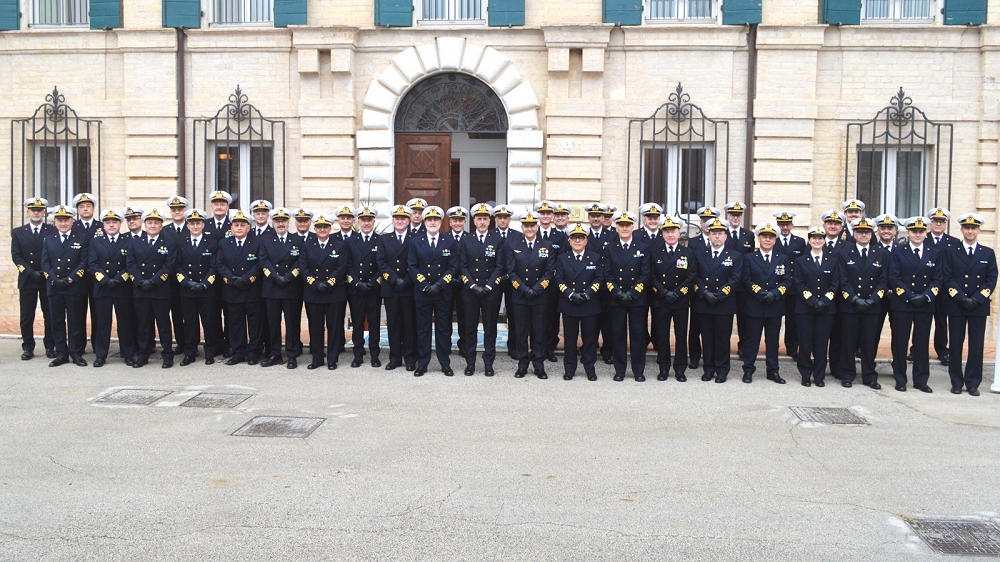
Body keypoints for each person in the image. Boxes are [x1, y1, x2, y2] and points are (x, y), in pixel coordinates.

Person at [943, 213, 997, 396]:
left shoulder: (987, 253)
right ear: (962, 230)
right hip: (957, 304)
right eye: (967, 228)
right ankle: (956, 382)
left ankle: (973, 382)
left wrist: (976, 299)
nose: (970, 231)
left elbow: (991, 279)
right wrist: (960, 297)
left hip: (978, 306)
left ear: (978, 230)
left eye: (973, 228)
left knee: (976, 345)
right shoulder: (951, 251)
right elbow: (947, 277)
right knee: (956, 344)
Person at [888, 217, 942, 393]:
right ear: (908, 233)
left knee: (921, 343)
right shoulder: (897, 252)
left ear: (926, 233)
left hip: (924, 305)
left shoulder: (934, 253)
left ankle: (920, 380)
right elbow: (894, 277)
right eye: (914, 231)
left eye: (921, 231)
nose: (917, 234)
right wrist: (909, 296)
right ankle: (900, 379)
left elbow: (938, 279)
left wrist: (925, 297)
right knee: (900, 343)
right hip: (902, 304)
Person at [836, 217, 887, 389]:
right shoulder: (845, 253)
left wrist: (873, 299)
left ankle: (869, 375)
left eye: (866, 232)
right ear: (854, 234)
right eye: (859, 232)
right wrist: (854, 299)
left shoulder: (880, 253)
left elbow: (883, 280)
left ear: (871, 234)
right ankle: (847, 374)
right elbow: (843, 280)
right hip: (850, 305)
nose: (863, 235)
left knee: (869, 342)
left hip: (872, 306)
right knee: (848, 341)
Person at [408, 206, 458, 377]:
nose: (433, 222)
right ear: (424, 221)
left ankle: (445, 363)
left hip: (442, 292)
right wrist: (424, 285)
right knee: (423, 329)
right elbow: (412, 266)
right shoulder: (415, 241)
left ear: (441, 222)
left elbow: (452, 267)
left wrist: (440, 285)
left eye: (436, 220)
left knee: (443, 329)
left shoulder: (449, 242)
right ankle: (422, 363)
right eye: (429, 220)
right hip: (423, 292)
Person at [505, 211, 555, 379]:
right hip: (520, 296)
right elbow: (511, 272)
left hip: (540, 297)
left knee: (539, 332)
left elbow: (549, 273)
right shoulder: (513, 245)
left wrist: (536, 289)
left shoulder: (547, 245)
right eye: (526, 225)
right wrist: (524, 289)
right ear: (522, 227)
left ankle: (539, 365)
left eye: (532, 225)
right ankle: (522, 365)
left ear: (537, 226)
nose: (529, 228)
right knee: (520, 332)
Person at [739, 222, 791, 384]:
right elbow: (746, 279)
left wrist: (775, 293)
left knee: (773, 341)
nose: (767, 240)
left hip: (774, 305)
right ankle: (748, 370)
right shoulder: (748, 258)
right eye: (764, 236)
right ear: (758, 238)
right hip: (754, 305)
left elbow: (787, 280)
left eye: (771, 237)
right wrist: (760, 292)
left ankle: (773, 371)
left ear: (775, 240)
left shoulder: (783, 258)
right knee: (751, 341)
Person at [693, 218, 742, 383]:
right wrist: (705, 293)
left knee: (722, 338)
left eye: (720, 234)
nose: (717, 237)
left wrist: (720, 295)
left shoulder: (735, 256)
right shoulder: (699, 254)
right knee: (707, 338)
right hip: (704, 302)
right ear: (709, 235)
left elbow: (735, 279)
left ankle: (722, 370)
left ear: (725, 236)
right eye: (714, 233)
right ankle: (708, 369)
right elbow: (695, 276)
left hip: (724, 304)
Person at [458, 203, 505, 376]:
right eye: (479, 219)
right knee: (470, 328)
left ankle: (488, 363)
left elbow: (500, 267)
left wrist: (488, 286)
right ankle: (470, 363)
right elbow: (462, 266)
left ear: (490, 221)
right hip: (470, 291)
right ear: (474, 221)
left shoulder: (497, 240)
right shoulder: (466, 239)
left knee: (490, 328)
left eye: (485, 218)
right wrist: (472, 285)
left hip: (490, 291)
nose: (483, 222)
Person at [603, 211, 651, 382]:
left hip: (636, 298)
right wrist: (617, 292)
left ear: (632, 227)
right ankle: (620, 370)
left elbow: (645, 273)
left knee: (638, 335)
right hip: (616, 298)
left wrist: (633, 292)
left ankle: (638, 370)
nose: (624, 228)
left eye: (627, 225)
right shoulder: (609, 247)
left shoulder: (643, 247)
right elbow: (607, 274)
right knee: (618, 334)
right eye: (621, 225)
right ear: (616, 228)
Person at [648, 215, 696, 381]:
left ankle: (680, 369)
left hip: (680, 300)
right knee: (662, 335)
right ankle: (663, 368)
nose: (670, 234)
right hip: (661, 300)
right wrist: (663, 292)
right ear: (662, 234)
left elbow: (691, 276)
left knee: (681, 335)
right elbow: (651, 276)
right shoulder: (655, 252)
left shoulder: (688, 253)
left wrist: (678, 292)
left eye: (673, 231)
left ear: (679, 233)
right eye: (667, 231)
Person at [126, 208, 176, 368]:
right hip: (141, 289)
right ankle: (143, 354)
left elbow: (169, 266)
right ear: (145, 224)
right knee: (143, 324)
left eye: (156, 223)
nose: (153, 225)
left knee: (163, 324)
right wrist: (140, 281)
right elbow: (131, 264)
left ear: (161, 225)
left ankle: (167, 354)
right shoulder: (135, 242)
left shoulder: (169, 242)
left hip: (159, 289)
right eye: (150, 223)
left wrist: (153, 281)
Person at [299, 214, 349, 370]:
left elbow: (341, 267)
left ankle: (332, 359)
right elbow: (303, 267)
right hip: (313, 292)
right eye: (319, 227)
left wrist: (328, 282)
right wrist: (315, 283)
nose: (322, 230)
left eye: (325, 227)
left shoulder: (339, 245)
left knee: (334, 328)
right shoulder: (308, 245)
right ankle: (317, 358)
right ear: (315, 229)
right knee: (315, 327)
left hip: (334, 292)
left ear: (330, 228)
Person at [87, 209, 136, 368]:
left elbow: (130, 263)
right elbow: (92, 264)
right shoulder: (95, 241)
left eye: (114, 222)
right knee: (102, 323)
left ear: (120, 224)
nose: (111, 225)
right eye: (108, 222)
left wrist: (119, 279)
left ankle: (127, 354)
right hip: (103, 287)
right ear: (103, 225)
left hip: (122, 287)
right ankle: (101, 355)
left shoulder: (128, 240)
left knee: (125, 323)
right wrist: (104, 280)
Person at [41, 205, 90, 367]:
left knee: (75, 321)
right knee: (57, 321)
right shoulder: (49, 239)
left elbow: (84, 262)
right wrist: (54, 279)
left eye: (66, 220)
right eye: (59, 220)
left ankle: (75, 353)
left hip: (73, 286)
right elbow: (45, 262)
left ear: (72, 221)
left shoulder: (81, 238)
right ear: (55, 222)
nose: (63, 223)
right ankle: (61, 353)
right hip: (55, 286)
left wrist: (71, 279)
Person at [555, 224, 604, 380]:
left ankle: (590, 368)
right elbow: (559, 279)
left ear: (586, 241)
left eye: (581, 238)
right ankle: (569, 369)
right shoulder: (562, 258)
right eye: (574, 238)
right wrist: (570, 294)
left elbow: (599, 278)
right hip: (569, 303)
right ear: (569, 241)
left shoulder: (595, 257)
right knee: (570, 340)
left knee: (589, 340)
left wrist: (587, 294)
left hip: (589, 303)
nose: (577, 241)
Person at [215, 209, 264, 366]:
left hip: (251, 289)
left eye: (243, 225)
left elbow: (259, 264)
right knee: (235, 324)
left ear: (248, 228)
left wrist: (246, 279)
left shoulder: (257, 242)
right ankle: (238, 353)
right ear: (231, 228)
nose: (239, 228)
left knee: (254, 323)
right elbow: (219, 264)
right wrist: (230, 279)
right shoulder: (223, 243)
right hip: (232, 289)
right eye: (236, 225)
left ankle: (253, 353)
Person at [793, 226, 840, 387]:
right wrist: (812, 300)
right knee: (805, 343)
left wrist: (825, 301)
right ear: (809, 240)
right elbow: (798, 283)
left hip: (826, 309)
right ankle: (805, 374)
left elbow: (835, 284)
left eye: (820, 238)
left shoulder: (832, 261)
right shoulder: (800, 261)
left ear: (824, 240)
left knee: (821, 343)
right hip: (805, 309)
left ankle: (819, 376)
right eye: (814, 238)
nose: (817, 241)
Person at [258, 207, 305, 369]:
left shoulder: (297, 240)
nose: (280, 224)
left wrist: (289, 276)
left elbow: (301, 261)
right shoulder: (265, 240)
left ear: (288, 222)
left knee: (292, 323)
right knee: (273, 323)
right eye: (277, 221)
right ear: (273, 222)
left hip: (291, 287)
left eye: (283, 220)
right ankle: (275, 353)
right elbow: (263, 261)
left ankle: (292, 355)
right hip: (272, 287)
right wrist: (275, 277)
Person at [12, 197, 55, 360]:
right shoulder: (18, 232)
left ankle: (50, 346)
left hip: (46, 279)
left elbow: (53, 254)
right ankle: (28, 347)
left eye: (39, 209)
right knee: (27, 315)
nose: (36, 212)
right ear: (28, 212)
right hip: (28, 279)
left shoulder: (51, 230)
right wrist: (30, 272)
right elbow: (16, 256)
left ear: (44, 212)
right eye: (33, 210)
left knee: (49, 314)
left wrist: (45, 272)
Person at [175, 208, 219, 366]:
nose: (195, 226)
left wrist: (205, 283)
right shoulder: (181, 243)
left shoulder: (212, 243)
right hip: (187, 290)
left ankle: (209, 352)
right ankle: (190, 352)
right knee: (190, 323)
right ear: (187, 226)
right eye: (192, 223)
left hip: (207, 289)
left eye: (198, 223)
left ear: (203, 225)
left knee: (209, 323)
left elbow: (214, 266)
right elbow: (177, 266)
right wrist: (187, 282)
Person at [378, 205, 418, 371]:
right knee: (393, 324)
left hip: (409, 288)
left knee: (409, 325)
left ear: (408, 221)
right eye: (397, 218)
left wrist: (407, 280)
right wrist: (395, 279)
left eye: (403, 218)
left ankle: (410, 358)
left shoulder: (416, 238)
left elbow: (418, 262)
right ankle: (395, 358)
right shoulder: (384, 239)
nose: (400, 221)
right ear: (393, 220)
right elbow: (381, 262)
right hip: (391, 288)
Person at [346, 205, 382, 369]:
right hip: (356, 289)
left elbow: (382, 265)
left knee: (374, 323)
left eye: (369, 220)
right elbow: (347, 266)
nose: (366, 223)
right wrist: (356, 282)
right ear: (358, 221)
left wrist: (373, 282)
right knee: (358, 323)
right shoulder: (350, 241)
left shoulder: (380, 240)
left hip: (374, 288)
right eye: (363, 220)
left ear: (373, 221)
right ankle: (358, 354)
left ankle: (374, 354)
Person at [926, 207, 957, 366]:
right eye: (935, 221)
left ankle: (942, 350)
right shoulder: (923, 239)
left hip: (945, 289)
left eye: (941, 221)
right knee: (921, 321)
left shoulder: (953, 242)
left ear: (945, 223)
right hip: (925, 288)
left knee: (941, 321)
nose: (938, 224)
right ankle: (917, 348)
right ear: (930, 222)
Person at [204, 191, 233, 358]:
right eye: (216, 204)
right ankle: (214, 344)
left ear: (228, 207)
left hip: (229, 278)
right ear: (212, 207)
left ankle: (228, 344)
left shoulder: (234, 224)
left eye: (223, 204)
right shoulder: (204, 225)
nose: (219, 206)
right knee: (212, 314)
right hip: (210, 278)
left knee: (230, 314)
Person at [773, 211, 806, 359]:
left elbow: (802, 264)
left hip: (793, 288)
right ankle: (773, 347)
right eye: (781, 224)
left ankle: (792, 348)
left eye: (787, 224)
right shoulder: (773, 239)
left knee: (793, 321)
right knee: (775, 320)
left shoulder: (799, 242)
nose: (784, 227)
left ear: (792, 225)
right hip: (777, 285)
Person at [536, 200, 566, 363]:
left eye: (548, 213)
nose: (546, 216)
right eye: (542, 213)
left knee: (552, 318)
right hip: (536, 284)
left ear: (553, 216)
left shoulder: (560, 236)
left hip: (553, 284)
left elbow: (561, 259)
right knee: (537, 318)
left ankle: (550, 347)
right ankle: (537, 348)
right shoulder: (533, 232)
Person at [163, 196, 189, 354]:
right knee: (176, 313)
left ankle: (192, 342)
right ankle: (181, 342)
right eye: (174, 210)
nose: (177, 212)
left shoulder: (193, 226)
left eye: (180, 209)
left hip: (190, 276)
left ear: (185, 210)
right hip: (171, 279)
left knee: (190, 313)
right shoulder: (165, 230)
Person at [445, 206, 470, 361]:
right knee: (445, 315)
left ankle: (464, 345)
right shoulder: (443, 238)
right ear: (450, 222)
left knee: (465, 316)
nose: (458, 223)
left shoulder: (470, 238)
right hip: (447, 284)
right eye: (455, 220)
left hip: (464, 284)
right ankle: (446, 345)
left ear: (465, 222)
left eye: (461, 220)